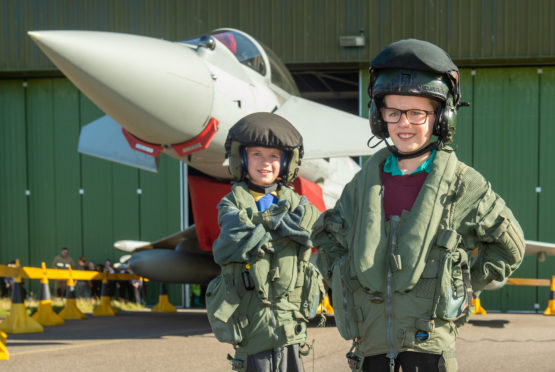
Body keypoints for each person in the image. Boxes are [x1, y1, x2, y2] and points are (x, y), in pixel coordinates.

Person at [312, 39, 526, 372]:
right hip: (370, 351)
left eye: (417, 113)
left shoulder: (463, 184)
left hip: (430, 353)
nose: (404, 123)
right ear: (378, 117)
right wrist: (345, 277)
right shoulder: (361, 185)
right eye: (393, 112)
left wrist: (463, 284)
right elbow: (326, 238)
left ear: (441, 117)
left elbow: (510, 246)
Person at [207, 112, 324, 372]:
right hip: (251, 323)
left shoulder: (299, 203)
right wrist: (279, 224)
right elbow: (231, 243)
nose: (265, 163)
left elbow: (310, 228)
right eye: (257, 154)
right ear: (243, 158)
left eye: (273, 156)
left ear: (284, 162)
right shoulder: (231, 203)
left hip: (289, 322)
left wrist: (259, 223)